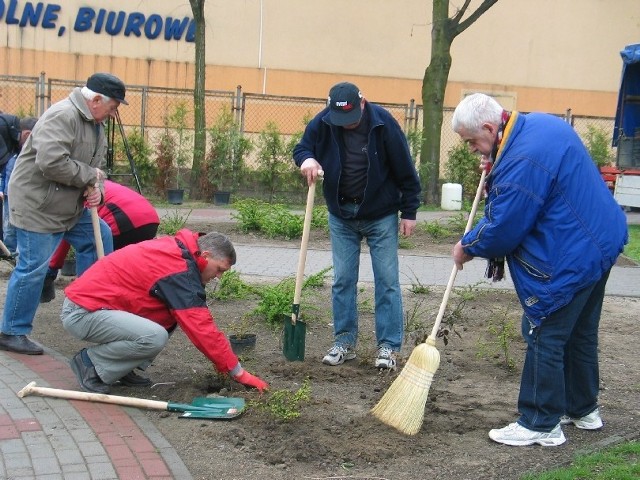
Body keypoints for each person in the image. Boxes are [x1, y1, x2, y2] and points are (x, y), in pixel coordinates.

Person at [450, 93, 628, 446]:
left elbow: (504, 228)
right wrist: (495, 160)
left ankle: (539, 422)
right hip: (601, 244)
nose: (472, 149)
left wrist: (467, 246)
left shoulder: (521, 161)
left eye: (472, 142)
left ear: (489, 127)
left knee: (542, 331)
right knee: (578, 333)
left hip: (571, 257)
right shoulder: (541, 123)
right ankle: (582, 409)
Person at [292, 81, 421, 369]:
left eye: (350, 118)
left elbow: (405, 169)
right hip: (341, 214)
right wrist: (308, 159)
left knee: (387, 282)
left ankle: (388, 347)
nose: (346, 125)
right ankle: (344, 342)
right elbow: (302, 149)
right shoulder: (324, 122)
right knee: (343, 280)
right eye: (341, 120)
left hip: (380, 214)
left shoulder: (384, 124)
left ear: (362, 103)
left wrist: (409, 210)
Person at [0, 72, 126, 355]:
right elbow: (51, 163)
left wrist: (98, 191)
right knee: (34, 266)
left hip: (68, 205)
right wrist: (88, 176)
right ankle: (11, 331)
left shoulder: (95, 125)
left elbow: (96, 172)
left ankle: (89, 304)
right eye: (114, 106)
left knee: (98, 237)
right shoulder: (63, 115)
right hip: (38, 204)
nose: (114, 113)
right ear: (96, 99)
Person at [61, 229, 269, 394]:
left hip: (100, 307)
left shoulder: (181, 253)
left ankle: (120, 368)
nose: (219, 276)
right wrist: (238, 372)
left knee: (167, 316)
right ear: (205, 256)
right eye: (219, 269)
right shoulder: (178, 269)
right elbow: (202, 328)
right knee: (154, 336)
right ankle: (90, 364)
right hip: (82, 312)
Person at [40, 179, 161, 302]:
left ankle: (85, 300)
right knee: (128, 267)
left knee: (91, 249)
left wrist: (52, 269)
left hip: (123, 221)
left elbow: (68, 232)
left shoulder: (82, 191)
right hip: (150, 219)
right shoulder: (101, 183)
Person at [0, 116, 39, 255]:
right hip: (9, 194)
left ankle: (15, 254)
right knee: (9, 225)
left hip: (25, 196)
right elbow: (3, 174)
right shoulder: (12, 155)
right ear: (27, 134)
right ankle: (9, 253)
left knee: (19, 226)